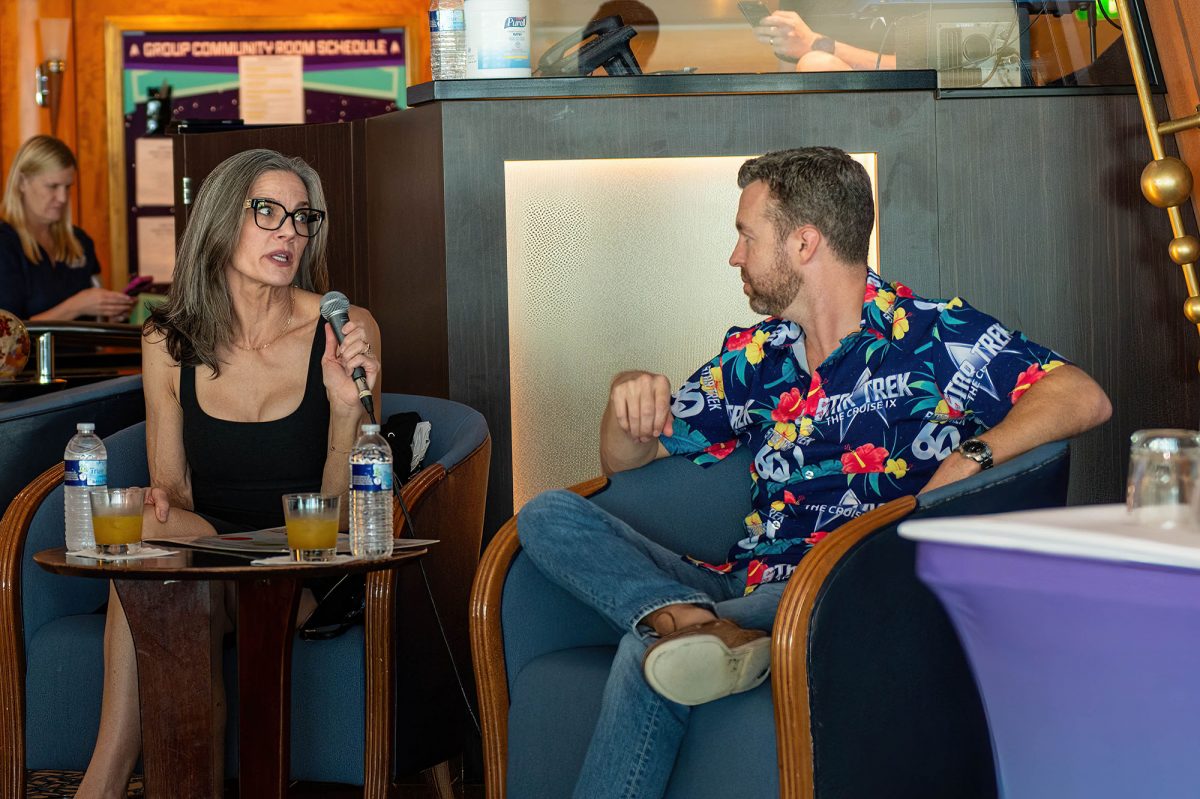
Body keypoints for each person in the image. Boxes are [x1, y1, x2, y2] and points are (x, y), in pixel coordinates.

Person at [515, 146, 1112, 799]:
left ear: (803, 243)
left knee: (648, 653)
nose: (735, 256)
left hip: (845, 584)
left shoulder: (931, 335)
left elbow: (1082, 395)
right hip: (743, 581)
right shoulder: (757, 356)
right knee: (546, 513)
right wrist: (626, 400)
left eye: (746, 236)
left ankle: (682, 629)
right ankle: (688, 620)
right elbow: (626, 466)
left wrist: (973, 455)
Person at [76, 148, 382, 799]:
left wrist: (344, 410)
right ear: (220, 219)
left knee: (170, 579)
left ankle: (103, 787)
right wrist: (150, 502)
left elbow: (341, 520)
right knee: (152, 543)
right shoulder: (167, 339)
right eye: (267, 211)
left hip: (299, 564)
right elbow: (174, 493)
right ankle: (119, 778)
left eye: (301, 217)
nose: (288, 232)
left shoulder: (344, 329)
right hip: (207, 552)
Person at [0, 135, 134, 321]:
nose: (62, 198)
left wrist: (111, 312)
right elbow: (7, 333)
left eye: (68, 187)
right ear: (22, 182)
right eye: (52, 186)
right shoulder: (5, 244)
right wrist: (75, 307)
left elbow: (96, 319)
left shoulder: (80, 241)